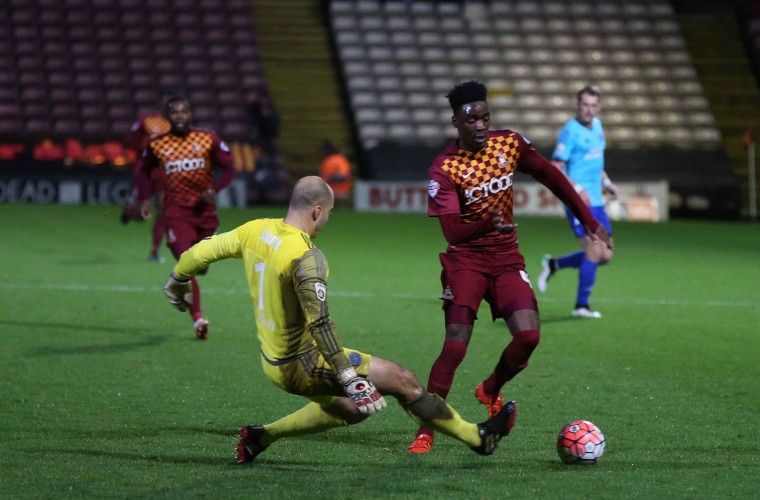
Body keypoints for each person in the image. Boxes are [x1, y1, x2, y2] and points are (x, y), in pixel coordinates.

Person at [160, 176, 518, 463]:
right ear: (317, 211)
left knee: (352, 411)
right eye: (329, 212)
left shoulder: (255, 230)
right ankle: (479, 438)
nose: (329, 219)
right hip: (301, 362)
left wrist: (177, 280)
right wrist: (350, 377)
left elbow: (202, 249)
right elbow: (321, 323)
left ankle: (260, 437)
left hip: (273, 359)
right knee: (404, 381)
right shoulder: (306, 257)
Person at [408, 81, 612, 454]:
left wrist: (588, 220)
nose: (482, 125)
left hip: (505, 259)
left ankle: (489, 388)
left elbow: (553, 177)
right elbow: (452, 229)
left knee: (529, 337)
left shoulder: (510, 144)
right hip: (465, 261)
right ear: (456, 121)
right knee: (455, 346)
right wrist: (490, 221)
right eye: (472, 119)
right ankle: (427, 429)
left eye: (486, 116)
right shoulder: (445, 168)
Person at [137, 96, 236, 340]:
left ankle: (202, 264)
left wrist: (216, 189)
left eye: (184, 111)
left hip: (204, 214)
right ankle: (199, 319)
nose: (179, 115)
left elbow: (230, 166)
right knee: (187, 263)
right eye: (175, 112)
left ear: (190, 115)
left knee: (200, 265)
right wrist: (144, 199)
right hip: (176, 215)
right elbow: (143, 170)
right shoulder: (157, 144)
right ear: (168, 117)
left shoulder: (207, 138)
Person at [536, 85, 619, 319]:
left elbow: (596, 162)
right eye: (585, 105)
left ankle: (554, 265)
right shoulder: (570, 131)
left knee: (607, 254)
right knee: (594, 251)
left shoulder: (598, 127)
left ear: (599, 107)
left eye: (594, 105)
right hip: (577, 201)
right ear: (577, 105)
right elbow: (556, 167)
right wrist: (579, 189)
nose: (589, 110)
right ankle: (581, 306)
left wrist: (608, 183)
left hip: (596, 201)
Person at [122, 108, 172, 263]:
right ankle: (130, 211)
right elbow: (130, 139)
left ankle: (154, 252)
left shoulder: (179, 126)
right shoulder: (147, 120)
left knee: (163, 211)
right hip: (146, 169)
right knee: (142, 213)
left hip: (165, 171)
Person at [319, 140, 352, 204]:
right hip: (328, 193)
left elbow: (343, 176)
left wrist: (329, 179)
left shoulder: (339, 159)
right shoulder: (327, 160)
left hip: (339, 193)